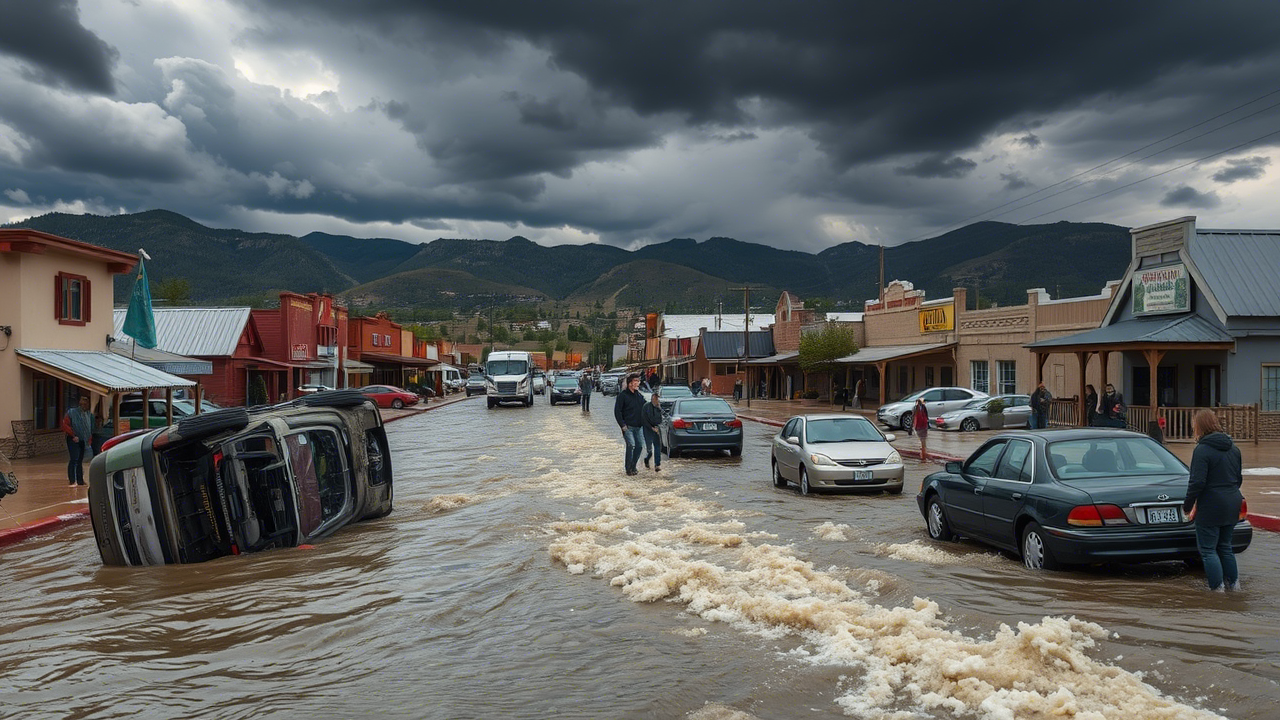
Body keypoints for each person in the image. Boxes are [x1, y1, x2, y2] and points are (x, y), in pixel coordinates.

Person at [1184, 410, 1245, 592]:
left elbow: (1197, 482)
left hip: (1211, 504)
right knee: (1225, 547)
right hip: (1233, 501)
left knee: (1208, 550)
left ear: (1199, 426)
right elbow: (1238, 478)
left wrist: (1188, 506)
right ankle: (1234, 587)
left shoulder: (1202, 450)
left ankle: (1216, 591)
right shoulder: (1234, 448)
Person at [614, 374, 646, 476]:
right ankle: (628, 469)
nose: (638, 383)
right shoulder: (623, 396)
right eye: (635, 381)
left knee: (639, 446)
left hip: (639, 426)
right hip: (628, 427)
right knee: (631, 445)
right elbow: (617, 411)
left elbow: (645, 408)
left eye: (638, 381)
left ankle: (633, 466)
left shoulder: (639, 396)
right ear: (630, 383)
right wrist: (622, 425)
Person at [61, 395, 94, 486]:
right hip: (73, 439)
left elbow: (89, 427)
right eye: (83, 403)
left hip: (83, 439)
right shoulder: (71, 412)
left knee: (80, 460)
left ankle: (80, 480)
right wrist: (73, 435)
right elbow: (65, 425)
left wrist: (89, 438)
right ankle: (72, 480)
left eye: (86, 404)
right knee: (74, 459)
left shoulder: (88, 414)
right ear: (80, 404)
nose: (85, 405)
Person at [641, 391, 664, 472]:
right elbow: (644, 419)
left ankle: (657, 465)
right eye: (655, 398)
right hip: (648, 429)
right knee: (649, 449)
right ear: (652, 398)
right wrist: (651, 428)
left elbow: (661, 418)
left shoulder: (658, 407)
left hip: (657, 429)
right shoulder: (646, 406)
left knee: (658, 447)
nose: (656, 400)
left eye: (657, 398)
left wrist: (658, 427)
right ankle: (646, 459)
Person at [911, 397, 930, 464]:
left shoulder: (916, 408)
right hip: (922, 426)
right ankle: (923, 456)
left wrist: (911, 427)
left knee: (921, 441)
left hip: (920, 426)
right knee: (923, 441)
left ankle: (923, 456)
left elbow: (913, 417)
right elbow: (926, 417)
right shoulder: (921, 408)